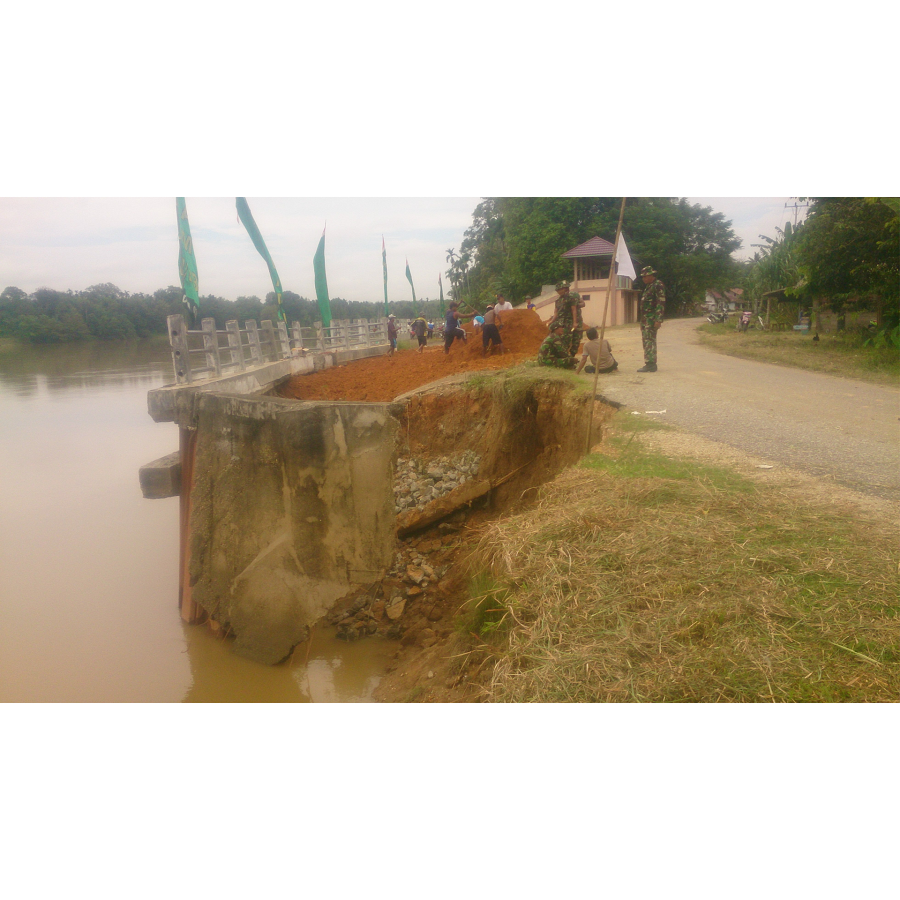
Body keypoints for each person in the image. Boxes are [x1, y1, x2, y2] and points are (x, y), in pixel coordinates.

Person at [637, 266, 665, 372]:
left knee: (650, 341)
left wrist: (658, 319)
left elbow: (660, 302)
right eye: (643, 277)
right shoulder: (649, 286)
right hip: (645, 319)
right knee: (647, 340)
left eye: (645, 276)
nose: (643, 279)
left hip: (651, 319)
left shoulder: (658, 285)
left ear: (650, 275)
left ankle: (651, 364)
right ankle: (649, 362)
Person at [549, 280, 580, 357]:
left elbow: (574, 310)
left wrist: (575, 322)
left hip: (569, 323)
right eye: (557, 290)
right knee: (564, 341)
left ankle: (571, 357)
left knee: (575, 341)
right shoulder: (558, 301)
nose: (559, 292)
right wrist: (551, 321)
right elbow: (555, 313)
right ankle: (564, 357)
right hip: (561, 324)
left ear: (564, 289)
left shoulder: (571, 298)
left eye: (560, 290)